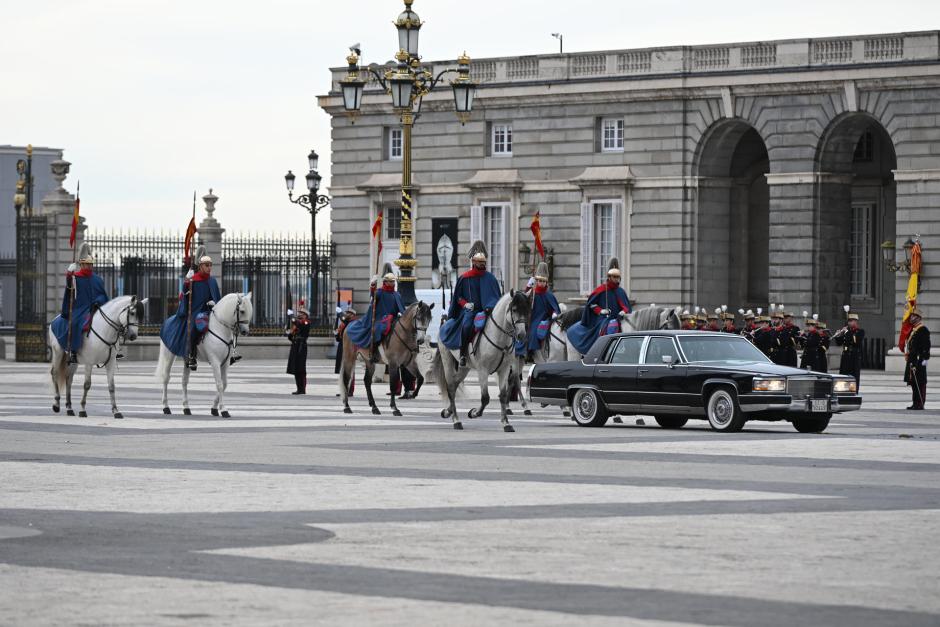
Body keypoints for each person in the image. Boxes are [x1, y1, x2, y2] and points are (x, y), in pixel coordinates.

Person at [439, 240, 502, 367]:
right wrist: (465, 304)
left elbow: (496, 297)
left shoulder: (490, 278)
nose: (482, 264)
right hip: (470, 311)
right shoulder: (465, 278)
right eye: (479, 262)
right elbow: (458, 297)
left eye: (483, 262)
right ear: (473, 262)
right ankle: (462, 354)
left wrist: (491, 307)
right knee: (467, 325)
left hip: (487, 311)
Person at [160, 251, 222, 371]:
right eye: (206, 265)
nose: (209, 268)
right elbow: (184, 294)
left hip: (210, 311)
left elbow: (216, 297)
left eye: (210, 265)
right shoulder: (194, 279)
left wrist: (214, 303)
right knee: (194, 326)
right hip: (196, 311)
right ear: (200, 266)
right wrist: (187, 281)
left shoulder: (212, 281)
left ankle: (228, 352)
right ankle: (191, 355)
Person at [51, 243, 109, 364]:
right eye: (86, 264)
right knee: (76, 323)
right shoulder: (75, 277)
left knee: (110, 323)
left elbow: (103, 295)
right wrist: (69, 274)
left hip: (95, 307)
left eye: (90, 264)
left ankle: (112, 349)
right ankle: (73, 351)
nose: (88, 266)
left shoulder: (98, 279)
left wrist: (99, 301)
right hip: (80, 308)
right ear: (81, 264)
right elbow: (69, 288)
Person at [567, 258, 632, 356]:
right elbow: (591, 304)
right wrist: (601, 311)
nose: (616, 279)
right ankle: (605, 351)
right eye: (614, 277)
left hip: (620, 318)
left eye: (617, 277)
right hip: (603, 319)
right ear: (609, 277)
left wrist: (624, 311)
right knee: (612, 325)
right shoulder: (601, 289)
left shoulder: (621, 291)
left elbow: (626, 306)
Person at [345, 273, 406, 363]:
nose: (393, 283)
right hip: (380, 319)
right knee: (379, 329)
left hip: (394, 318)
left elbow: (401, 309)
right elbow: (373, 295)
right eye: (391, 282)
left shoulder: (397, 294)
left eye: (393, 281)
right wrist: (373, 285)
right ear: (385, 282)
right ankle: (374, 351)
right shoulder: (380, 292)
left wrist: (401, 315)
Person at [516, 262, 560, 361]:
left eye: (543, 281)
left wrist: (554, 313)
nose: (541, 283)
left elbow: (555, 309)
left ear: (546, 282)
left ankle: (532, 351)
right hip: (531, 317)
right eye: (539, 281)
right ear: (536, 281)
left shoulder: (549, 295)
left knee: (535, 330)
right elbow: (523, 299)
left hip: (544, 318)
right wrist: (528, 287)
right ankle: (523, 352)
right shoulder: (532, 292)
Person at [904, 308, 930, 410]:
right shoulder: (914, 330)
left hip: (919, 360)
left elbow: (926, 346)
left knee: (920, 382)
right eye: (911, 316)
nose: (911, 318)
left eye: (913, 316)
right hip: (913, 359)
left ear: (918, 318)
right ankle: (915, 402)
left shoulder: (923, 330)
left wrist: (924, 358)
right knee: (914, 382)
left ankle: (920, 403)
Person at [834, 312, 864, 388]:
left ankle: (854, 391)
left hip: (854, 356)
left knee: (853, 375)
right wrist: (838, 335)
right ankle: (842, 390)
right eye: (849, 321)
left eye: (851, 321)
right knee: (843, 374)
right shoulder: (846, 332)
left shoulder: (860, 331)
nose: (849, 323)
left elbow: (855, 341)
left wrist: (847, 332)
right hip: (846, 356)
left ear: (855, 321)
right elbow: (839, 343)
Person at [286, 303, 310, 394]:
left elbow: (299, 323)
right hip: (295, 345)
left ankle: (302, 388)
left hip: (301, 346)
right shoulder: (297, 324)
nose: (299, 314)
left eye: (301, 313)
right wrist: (289, 334)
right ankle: (299, 388)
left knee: (301, 368)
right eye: (299, 313)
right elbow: (291, 336)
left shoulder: (306, 322)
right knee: (295, 368)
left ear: (305, 315)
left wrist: (291, 316)